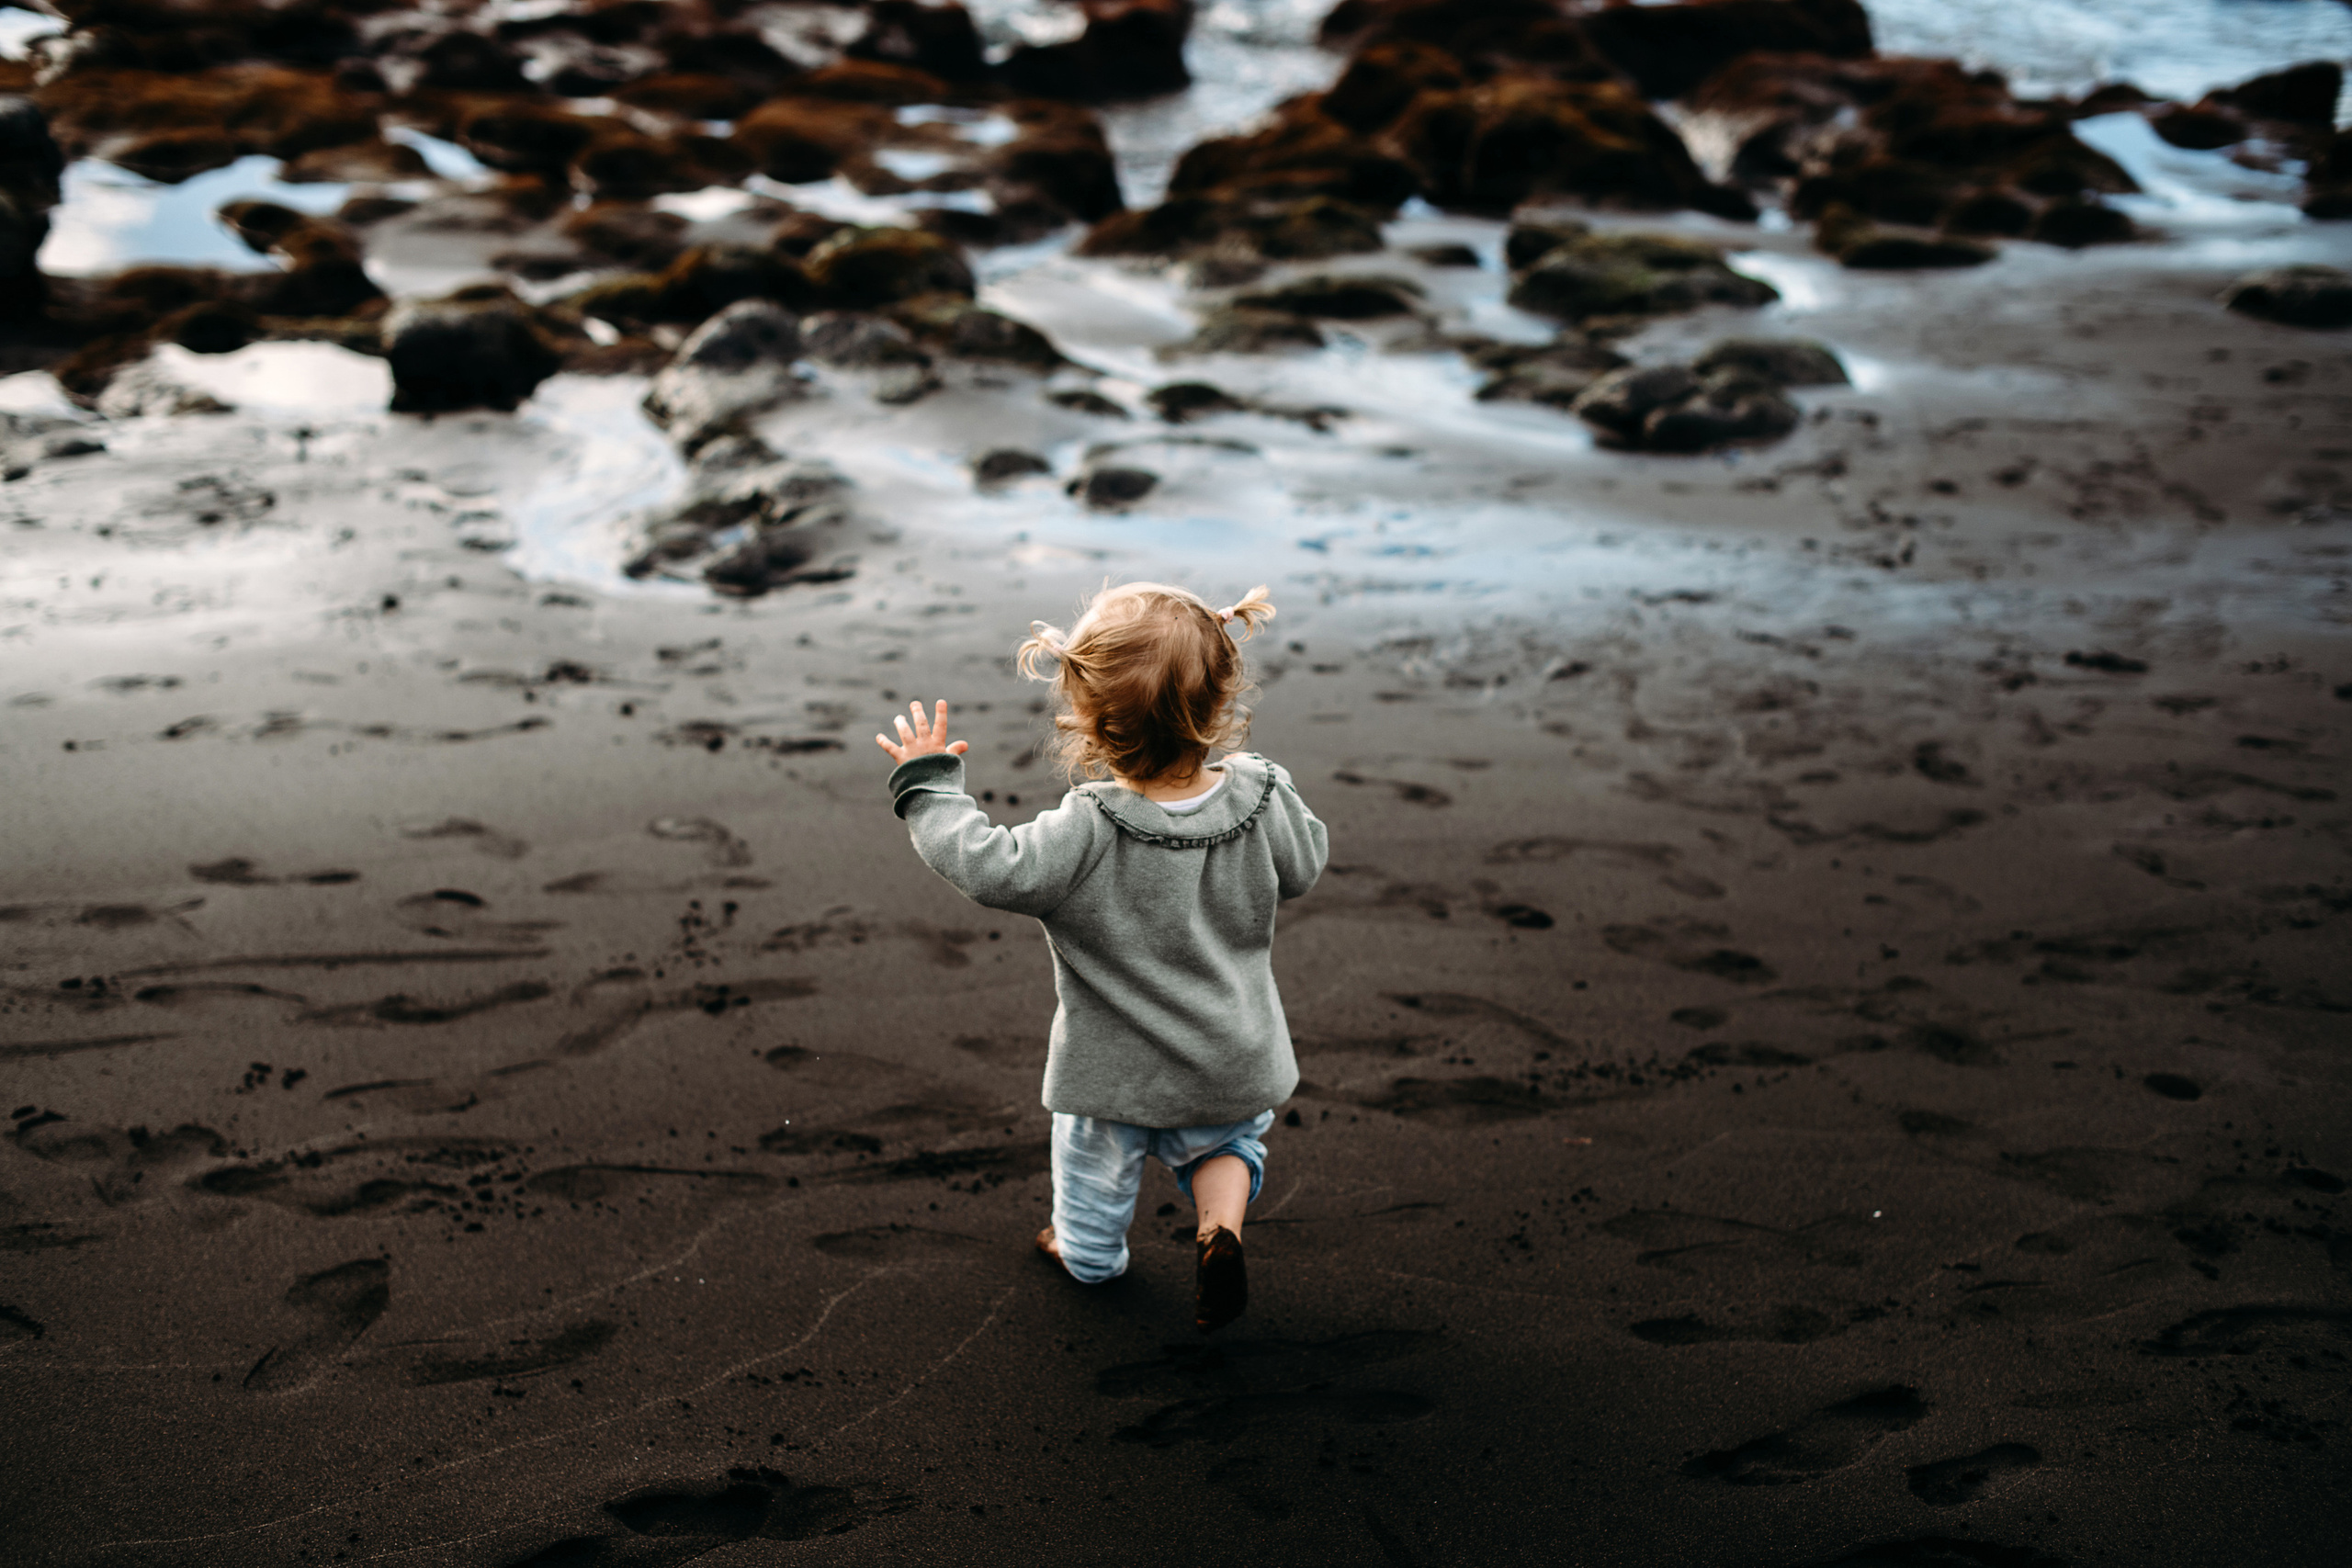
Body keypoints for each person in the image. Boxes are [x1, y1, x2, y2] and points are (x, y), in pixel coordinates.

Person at [875, 581, 1329, 1333]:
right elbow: (1305, 864)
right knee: (1225, 1144)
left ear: (1088, 720)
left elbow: (990, 868)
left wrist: (929, 789)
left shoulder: (1087, 828)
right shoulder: (1258, 794)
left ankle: (1085, 1254)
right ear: (1221, 699)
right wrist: (1272, 785)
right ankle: (1220, 1228)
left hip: (1110, 1074)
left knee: (1092, 1181)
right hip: (1229, 1056)